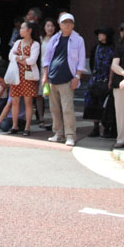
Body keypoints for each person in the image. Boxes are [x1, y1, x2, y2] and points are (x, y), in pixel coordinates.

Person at [42, 12, 89, 146]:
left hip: (68, 79)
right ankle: (58, 132)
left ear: (73, 24)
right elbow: (47, 58)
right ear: (60, 24)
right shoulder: (55, 38)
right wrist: (45, 75)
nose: (67, 24)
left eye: (69, 22)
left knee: (68, 108)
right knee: (54, 108)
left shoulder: (78, 40)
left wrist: (77, 77)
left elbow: (81, 61)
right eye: (64, 22)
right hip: (53, 78)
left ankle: (70, 135)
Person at [2, 19, 41, 136]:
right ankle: (14, 126)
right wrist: (22, 58)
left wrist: (18, 58)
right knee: (15, 100)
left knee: (28, 102)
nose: (20, 30)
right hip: (16, 75)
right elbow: (10, 56)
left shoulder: (35, 44)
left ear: (29, 30)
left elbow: (32, 60)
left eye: (23, 28)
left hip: (29, 76)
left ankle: (27, 127)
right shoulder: (18, 42)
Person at [84, 28, 115, 139]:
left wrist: (110, 80)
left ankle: (107, 128)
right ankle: (95, 127)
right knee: (94, 104)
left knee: (105, 105)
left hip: (107, 80)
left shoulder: (113, 48)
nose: (99, 36)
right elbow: (92, 63)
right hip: (96, 80)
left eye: (102, 34)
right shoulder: (96, 48)